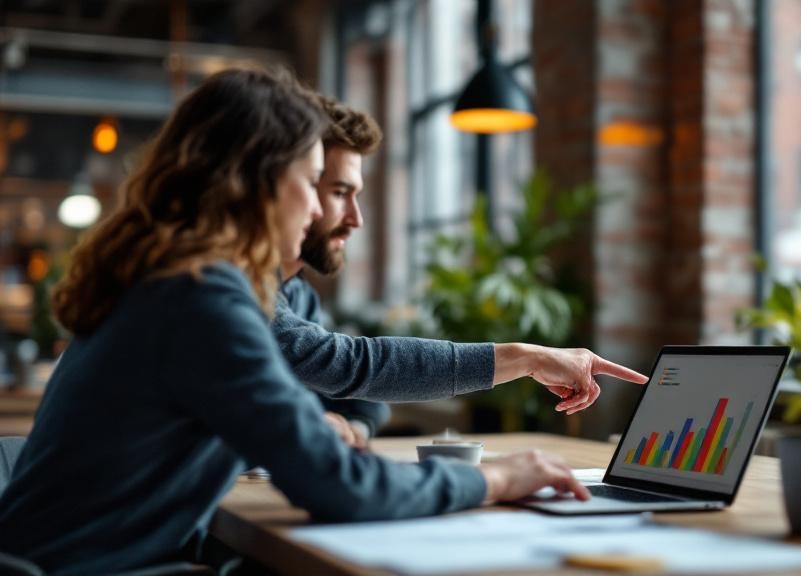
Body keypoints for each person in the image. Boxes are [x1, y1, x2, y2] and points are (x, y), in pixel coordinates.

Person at [0, 69, 643, 575]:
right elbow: (340, 486)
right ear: (253, 180)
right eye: (313, 182)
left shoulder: (168, 278)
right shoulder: (200, 296)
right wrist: (499, 476)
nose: (317, 211)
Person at [275, 96, 648, 447]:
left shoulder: (298, 294)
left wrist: (347, 429)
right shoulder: (238, 288)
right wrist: (526, 358)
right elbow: (349, 366)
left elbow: (363, 393)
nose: (356, 219)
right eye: (338, 192)